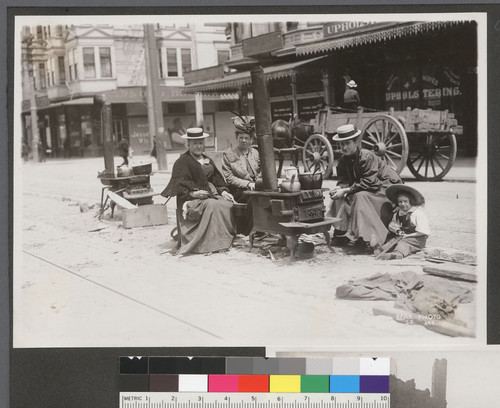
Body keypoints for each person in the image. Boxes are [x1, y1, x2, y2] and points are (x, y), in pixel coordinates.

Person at [161, 127, 236, 255]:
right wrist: (193, 193)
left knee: (227, 204)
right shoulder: (182, 162)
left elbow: (217, 180)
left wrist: (223, 191)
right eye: (195, 143)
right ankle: (208, 243)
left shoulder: (207, 160)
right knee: (213, 205)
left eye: (200, 143)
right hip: (191, 199)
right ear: (188, 144)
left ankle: (223, 238)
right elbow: (178, 186)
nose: (198, 146)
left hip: (210, 194)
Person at [328, 124, 403, 250]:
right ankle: (341, 233)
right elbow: (343, 180)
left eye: (348, 143)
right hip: (368, 187)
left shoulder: (366, 156)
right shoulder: (342, 160)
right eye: (341, 144)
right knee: (338, 196)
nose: (344, 147)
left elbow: (369, 182)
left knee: (359, 196)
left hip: (387, 188)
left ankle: (365, 237)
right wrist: (340, 188)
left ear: (356, 142)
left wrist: (346, 190)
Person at [222, 115, 260, 235]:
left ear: (251, 139)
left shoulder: (255, 152)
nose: (244, 140)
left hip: (256, 187)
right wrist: (248, 184)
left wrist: (260, 181)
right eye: (241, 138)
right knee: (254, 199)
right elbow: (229, 178)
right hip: (238, 191)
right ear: (236, 138)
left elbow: (261, 170)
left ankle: (264, 228)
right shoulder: (230, 155)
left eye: (246, 138)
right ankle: (247, 231)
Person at [375, 185, 431, 260]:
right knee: (393, 242)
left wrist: (408, 236)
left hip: (417, 239)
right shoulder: (399, 213)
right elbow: (393, 224)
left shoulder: (417, 214)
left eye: (405, 201)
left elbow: (423, 232)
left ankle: (398, 254)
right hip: (403, 236)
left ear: (411, 201)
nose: (403, 204)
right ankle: (380, 250)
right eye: (400, 202)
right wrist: (398, 231)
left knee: (403, 243)